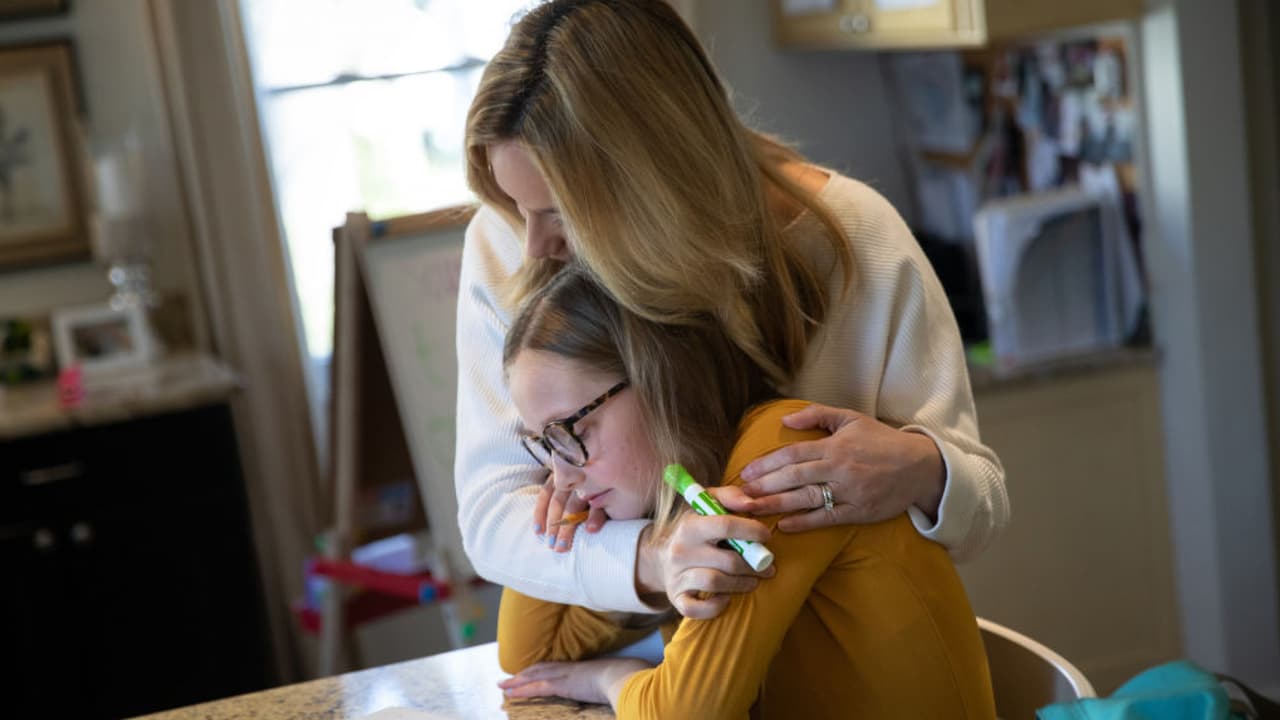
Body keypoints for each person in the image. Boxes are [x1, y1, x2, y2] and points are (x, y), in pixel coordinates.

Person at [455, 0, 1009, 619]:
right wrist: (653, 557)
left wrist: (922, 469)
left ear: (654, 186)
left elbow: (982, 509)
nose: (534, 245)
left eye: (560, 214)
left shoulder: (856, 238)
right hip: (638, 661)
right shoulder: (505, 239)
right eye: (517, 207)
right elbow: (492, 516)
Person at [493, 267, 996, 718]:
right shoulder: (675, 498)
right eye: (545, 444)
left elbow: (679, 716)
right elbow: (529, 656)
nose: (561, 477)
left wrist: (610, 679)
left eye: (571, 430)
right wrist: (595, 513)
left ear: (659, 379)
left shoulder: (779, 460)